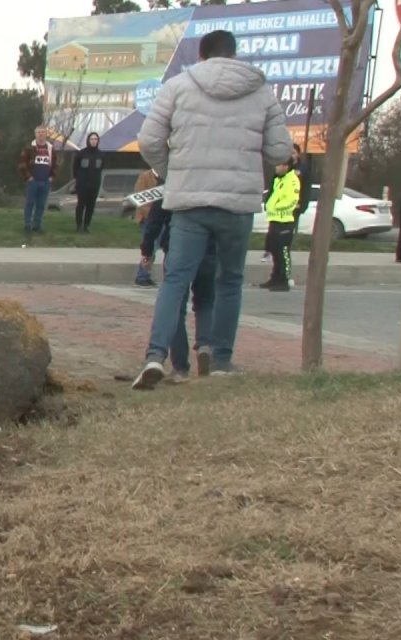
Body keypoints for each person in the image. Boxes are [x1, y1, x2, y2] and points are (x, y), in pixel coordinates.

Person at [132, 29, 292, 389]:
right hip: (237, 205)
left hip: (190, 203)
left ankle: (156, 355)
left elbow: (149, 140)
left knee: (175, 280)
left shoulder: (178, 86)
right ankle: (221, 360)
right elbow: (280, 151)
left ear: (201, 57)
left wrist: (173, 172)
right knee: (230, 280)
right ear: (233, 55)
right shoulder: (261, 90)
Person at [140, 183, 216, 381]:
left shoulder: (177, 178)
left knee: (175, 305)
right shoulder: (214, 181)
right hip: (210, 247)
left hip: (177, 247)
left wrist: (147, 250)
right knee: (205, 301)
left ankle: (180, 367)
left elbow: (155, 219)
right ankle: (205, 345)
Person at [259, 158, 301, 292]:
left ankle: (284, 280)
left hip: (285, 221)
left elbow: (291, 201)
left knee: (283, 253)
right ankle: (275, 278)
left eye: (279, 165)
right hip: (275, 220)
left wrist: (275, 208)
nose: (276, 168)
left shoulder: (292, 180)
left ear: (286, 166)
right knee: (275, 251)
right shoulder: (278, 180)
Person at [18, 125, 55, 235]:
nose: (41, 134)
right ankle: (27, 225)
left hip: (45, 181)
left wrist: (52, 177)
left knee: (41, 204)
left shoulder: (50, 148)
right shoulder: (29, 148)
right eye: (39, 132)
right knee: (30, 203)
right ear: (35, 134)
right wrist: (28, 177)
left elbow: (55, 164)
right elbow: (22, 164)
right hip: (33, 181)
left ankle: (37, 225)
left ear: (46, 134)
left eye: (43, 132)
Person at [133, 167, 161, 287]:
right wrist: (149, 214)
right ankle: (142, 276)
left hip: (161, 217)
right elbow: (139, 198)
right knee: (151, 247)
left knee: (156, 247)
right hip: (148, 218)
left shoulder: (166, 177)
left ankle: (146, 275)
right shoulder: (145, 177)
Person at [73, 132, 103, 233]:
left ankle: (86, 226)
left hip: (94, 184)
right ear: (88, 140)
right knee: (81, 205)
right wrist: (78, 179)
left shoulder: (101, 154)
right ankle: (79, 225)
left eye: (96, 139)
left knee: (91, 206)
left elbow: (101, 168)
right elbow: (75, 168)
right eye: (92, 139)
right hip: (82, 184)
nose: (94, 141)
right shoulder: (81, 153)